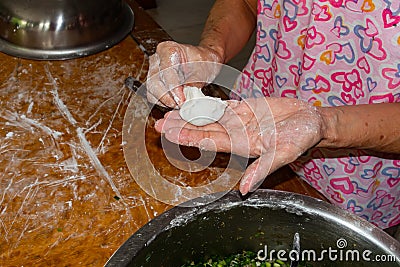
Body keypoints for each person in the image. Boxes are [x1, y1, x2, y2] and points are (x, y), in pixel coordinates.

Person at [146, 0, 400, 230]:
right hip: (252, 125)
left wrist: (326, 124)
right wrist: (212, 51)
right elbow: (246, 4)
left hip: (355, 180)